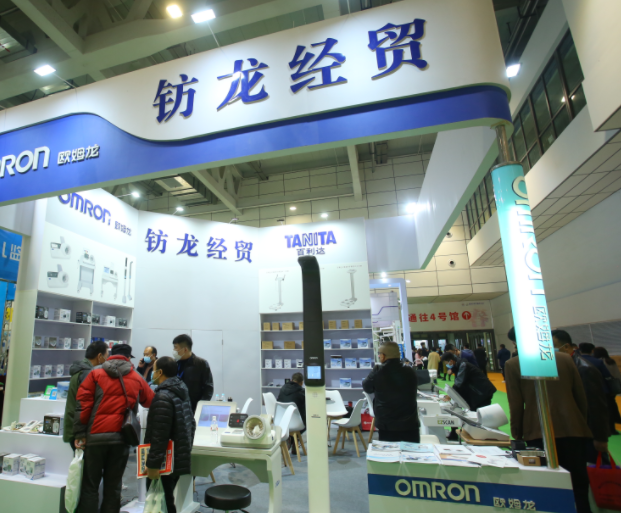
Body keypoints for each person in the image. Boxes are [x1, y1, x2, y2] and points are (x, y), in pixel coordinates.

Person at [505, 328, 595, 513]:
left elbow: (516, 404)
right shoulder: (564, 358)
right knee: (578, 484)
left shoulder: (513, 364)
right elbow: (580, 396)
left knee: (547, 485)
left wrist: (517, 433)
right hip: (573, 429)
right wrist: (580, 422)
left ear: (517, 342)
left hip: (537, 431)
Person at [74, 344, 155, 513]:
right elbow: (149, 401)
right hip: (121, 439)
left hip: (95, 437)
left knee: (90, 486)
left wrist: (80, 433)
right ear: (128, 358)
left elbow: (83, 405)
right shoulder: (136, 377)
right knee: (113, 487)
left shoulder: (95, 373)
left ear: (110, 355)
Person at [144, 357, 196, 513]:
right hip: (176, 457)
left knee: (161, 502)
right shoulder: (181, 390)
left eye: (153, 370)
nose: (152, 373)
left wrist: (153, 464)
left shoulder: (163, 397)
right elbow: (191, 423)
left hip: (164, 461)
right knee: (166, 499)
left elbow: (159, 435)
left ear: (160, 372)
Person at [553, 330, 610, 465]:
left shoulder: (584, 369)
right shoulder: (559, 366)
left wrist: (600, 437)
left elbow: (596, 405)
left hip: (585, 433)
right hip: (568, 430)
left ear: (566, 347)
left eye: (553, 346)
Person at [362, 341, 419, 443]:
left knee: (389, 451)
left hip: (387, 424)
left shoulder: (378, 371)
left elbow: (367, 388)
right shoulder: (410, 371)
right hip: (410, 423)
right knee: (411, 451)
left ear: (383, 356)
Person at [63, 341, 108, 451]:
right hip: (81, 431)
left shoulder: (79, 370)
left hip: (74, 426)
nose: (107, 360)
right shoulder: (88, 375)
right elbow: (84, 406)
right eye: (107, 356)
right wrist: (81, 433)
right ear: (99, 356)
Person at [172, 334, 214, 413]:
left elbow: (208, 388)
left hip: (193, 409)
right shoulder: (174, 364)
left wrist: (200, 407)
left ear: (185, 349)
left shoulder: (201, 364)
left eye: (175, 347)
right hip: (176, 409)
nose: (173, 350)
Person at [593, 346, 621, 435]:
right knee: (612, 406)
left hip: (604, 388)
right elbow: (617, 374)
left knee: (606, 409)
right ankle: (615, 424)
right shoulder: (611, 361)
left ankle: (610, 428)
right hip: (613, 387)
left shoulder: (599, 362)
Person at [278, 372, 306, 453]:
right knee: (308, 419)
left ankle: (290, 438)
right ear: (302, 383)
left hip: (282, 421)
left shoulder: (283, 389)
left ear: (291, 380)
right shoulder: (302, 392)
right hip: (296, 423)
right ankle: (295, 439)